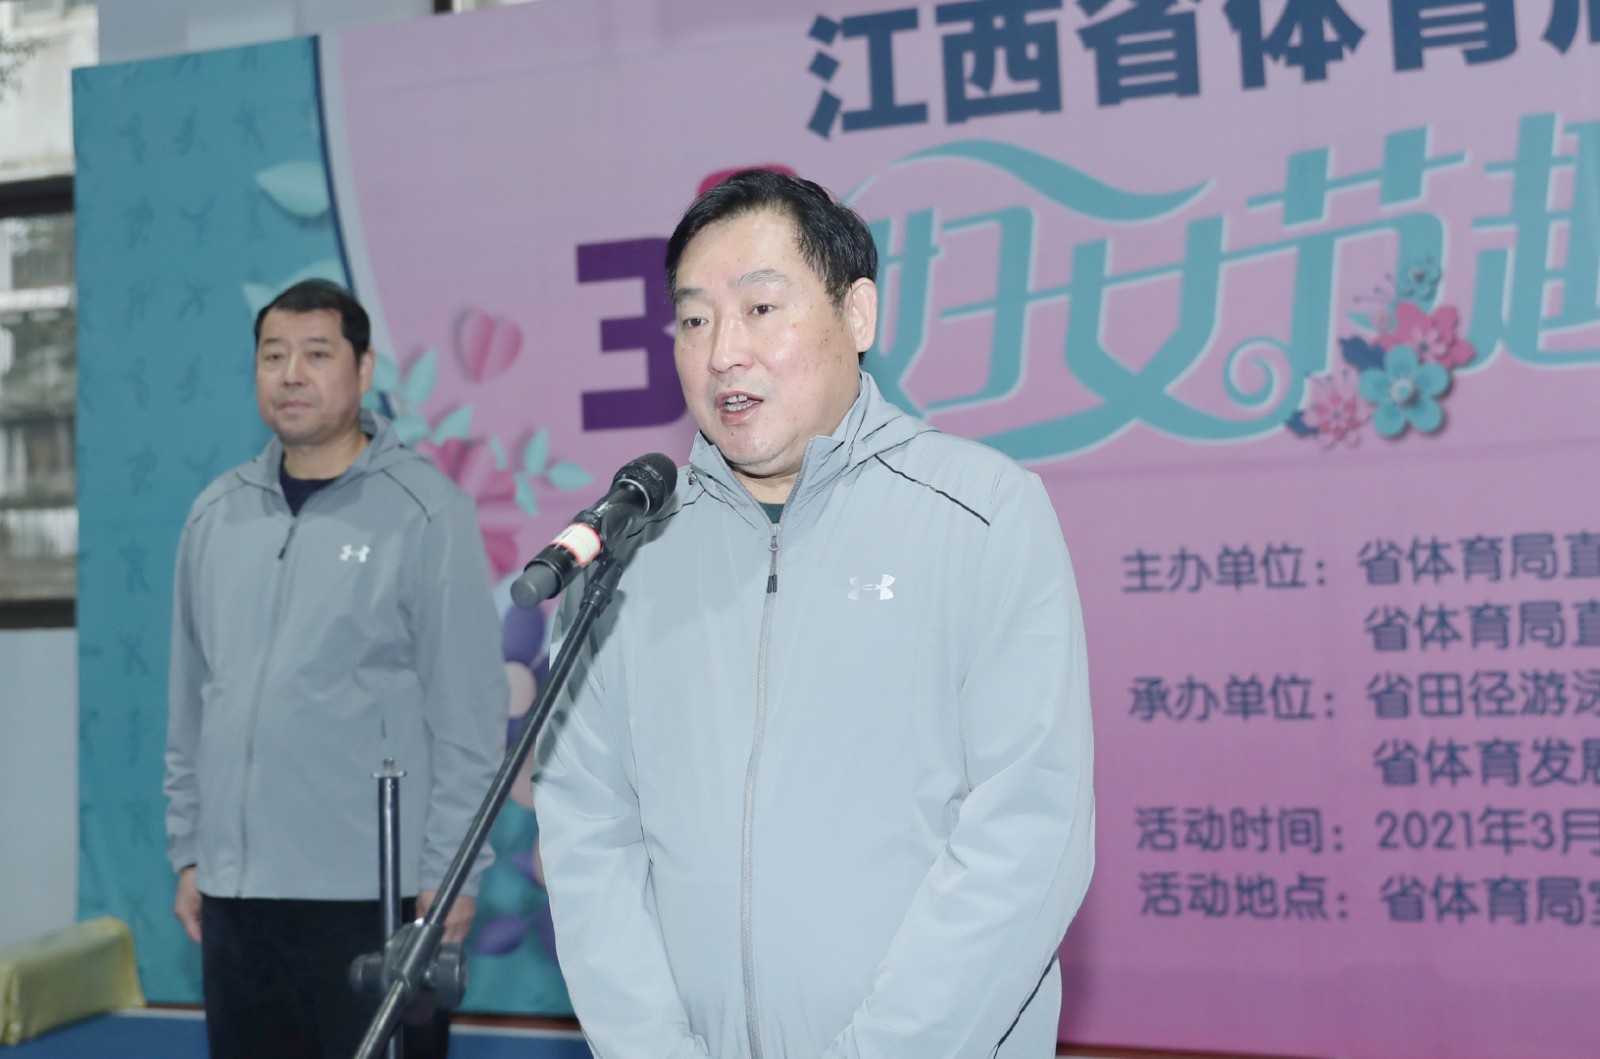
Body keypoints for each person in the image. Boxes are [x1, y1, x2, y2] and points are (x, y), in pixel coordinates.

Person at [532, 169, 1094, 1058]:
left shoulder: (982, 513)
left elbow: (1029, 828)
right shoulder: (626, 554)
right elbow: (589, 829)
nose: (724, 353)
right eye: (694, 321)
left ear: (857, 314)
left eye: (761, 308)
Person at [163, 279, 508, 1059]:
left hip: (374, 896)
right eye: (273, 355)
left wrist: (451, 875)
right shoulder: (216, 514)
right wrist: (190, 851)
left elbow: (470, 715)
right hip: (236, 895)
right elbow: (192, 699)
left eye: (317, 354)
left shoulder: (426, 510)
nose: (291, 374)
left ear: (364, 368)